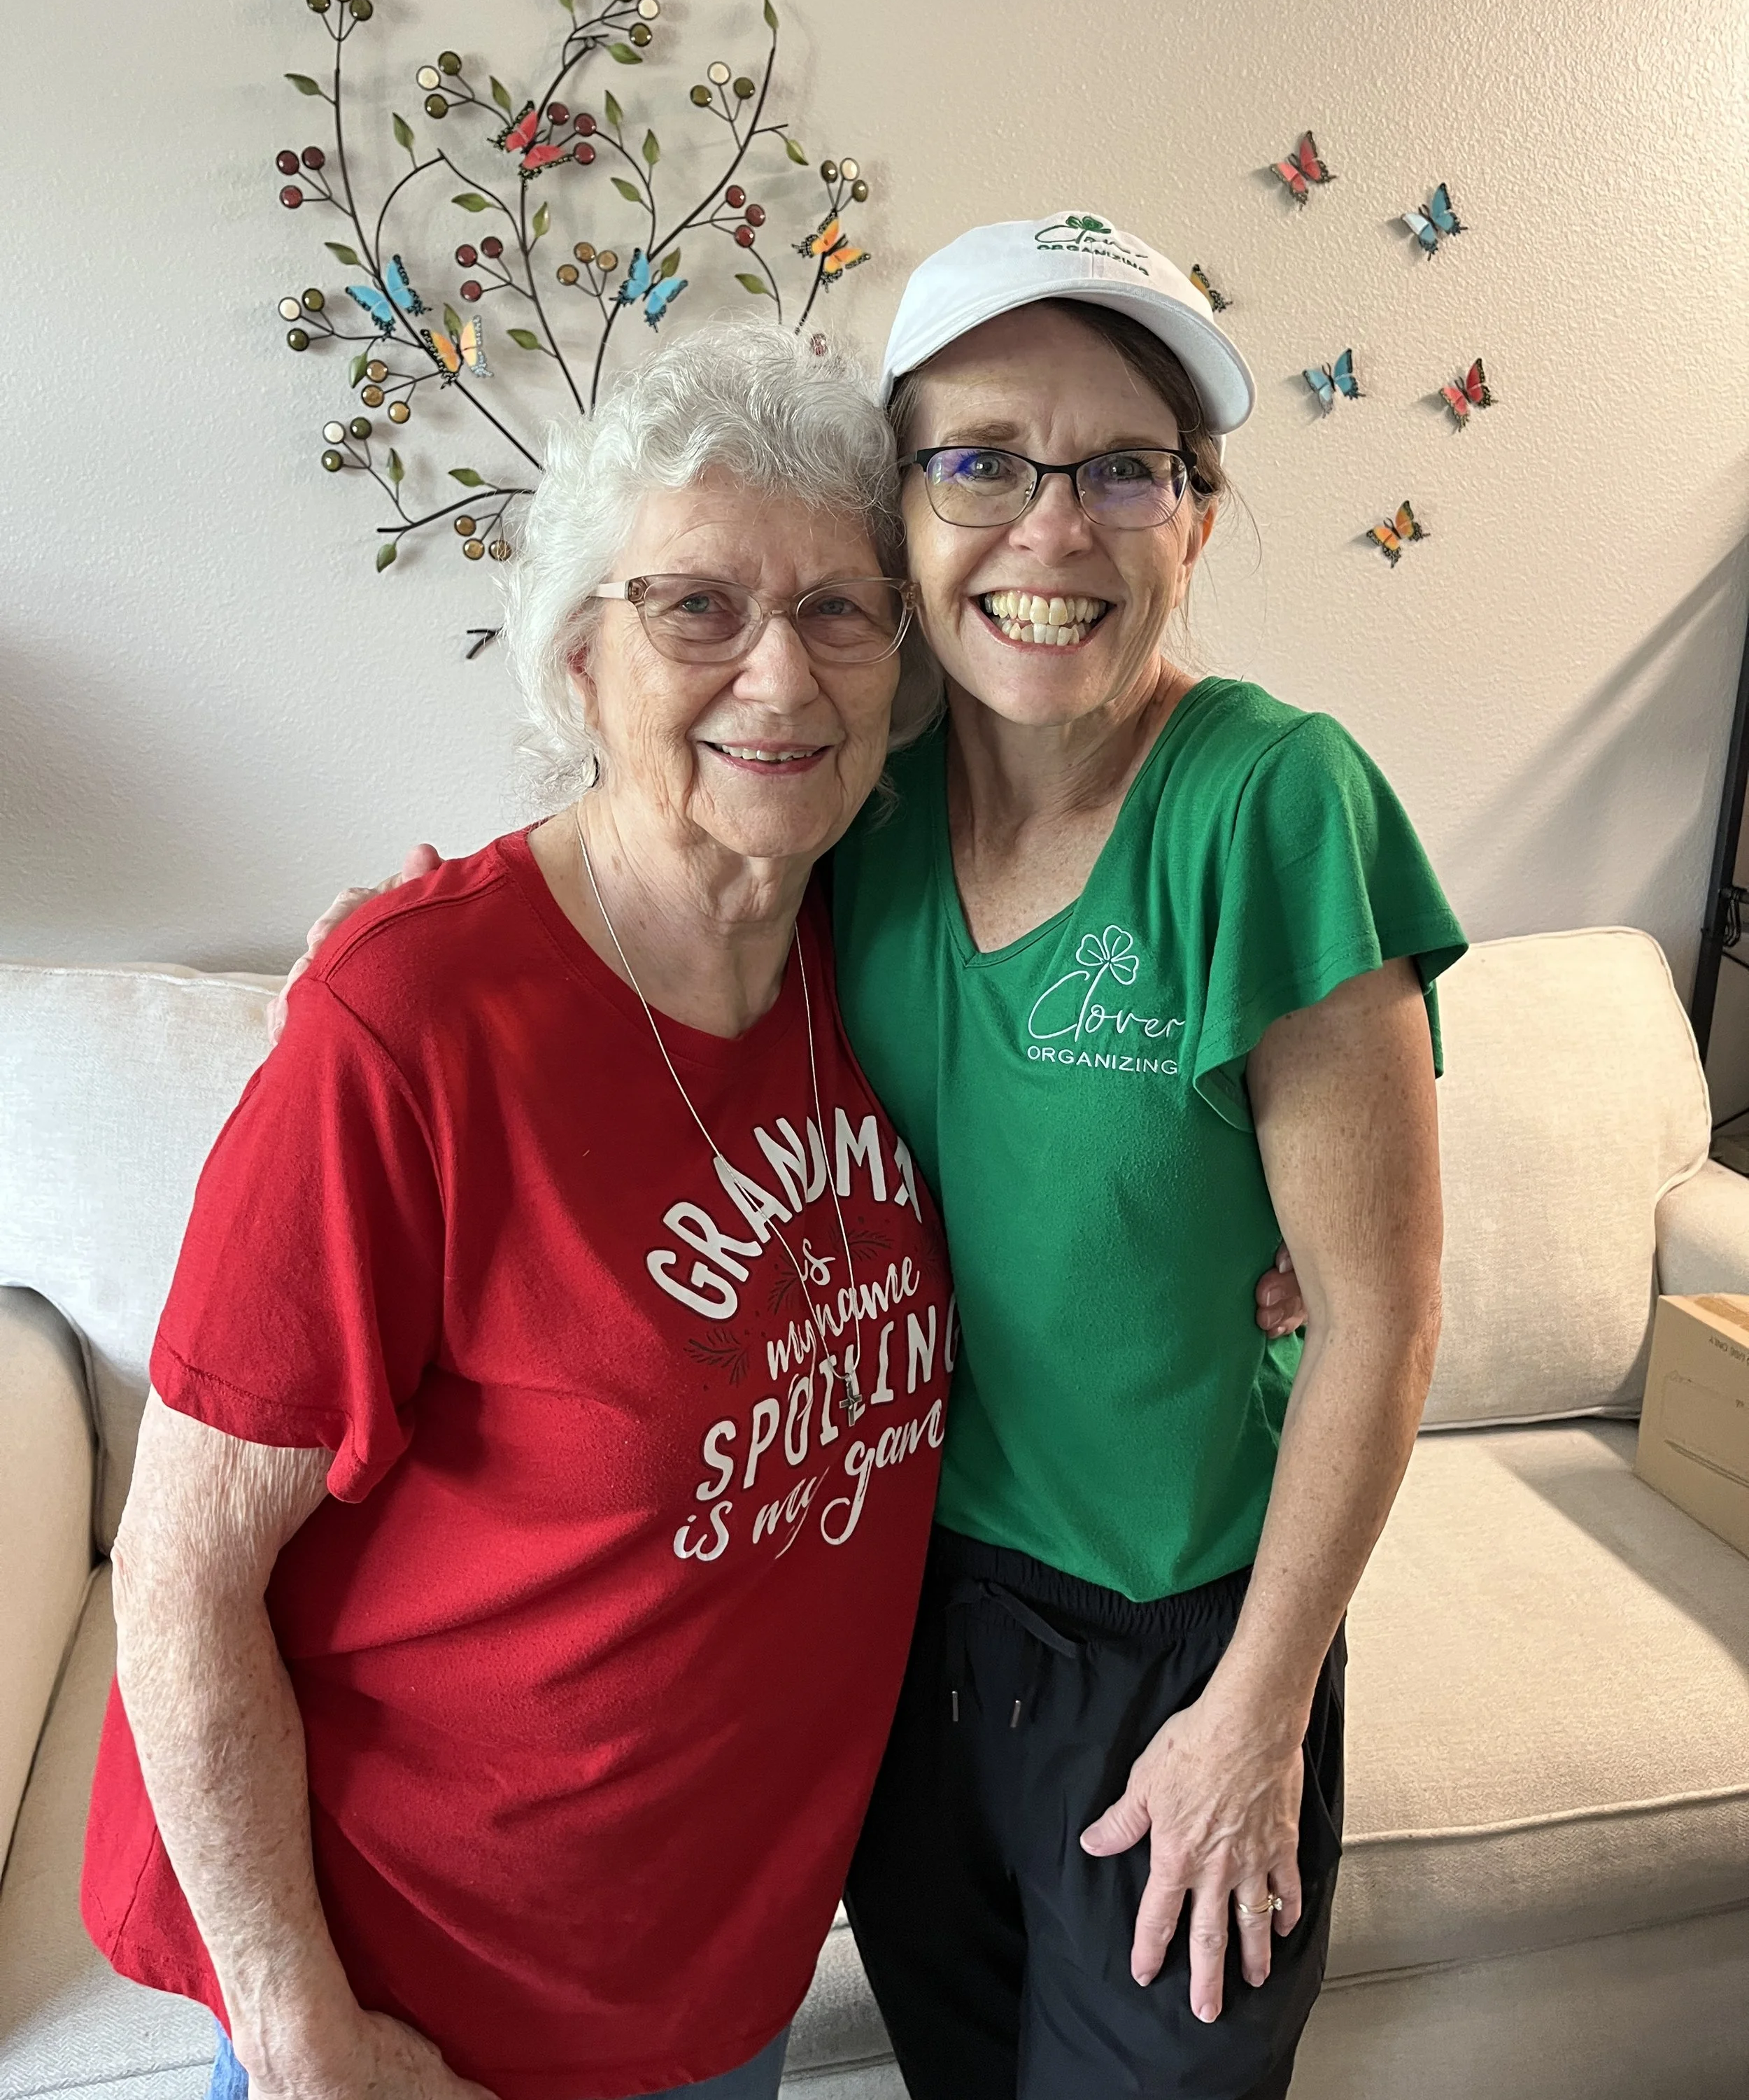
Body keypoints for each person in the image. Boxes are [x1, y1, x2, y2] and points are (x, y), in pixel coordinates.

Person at [271, 213, 1464, 2100]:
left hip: (1179, 1635)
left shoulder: (1266, 797)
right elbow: (636, 858)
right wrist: (391, 941)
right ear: (905, 520)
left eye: (1122, 469)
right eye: (980, 460)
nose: (1048, 529)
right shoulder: (856, 818)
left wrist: (1254, 1711)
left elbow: (1383, 1312)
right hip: (908, 1621)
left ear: (1195, 518)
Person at [82, 327, 961, 2100]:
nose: (776, 678)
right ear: (578, 658)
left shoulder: (888, 956)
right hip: (428, 2000)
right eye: (694, 607)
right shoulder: (409, 1027)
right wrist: (302, 2030)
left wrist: (1257, 1245)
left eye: (839, 610)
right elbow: (178, 1579)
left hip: (724, 1972)